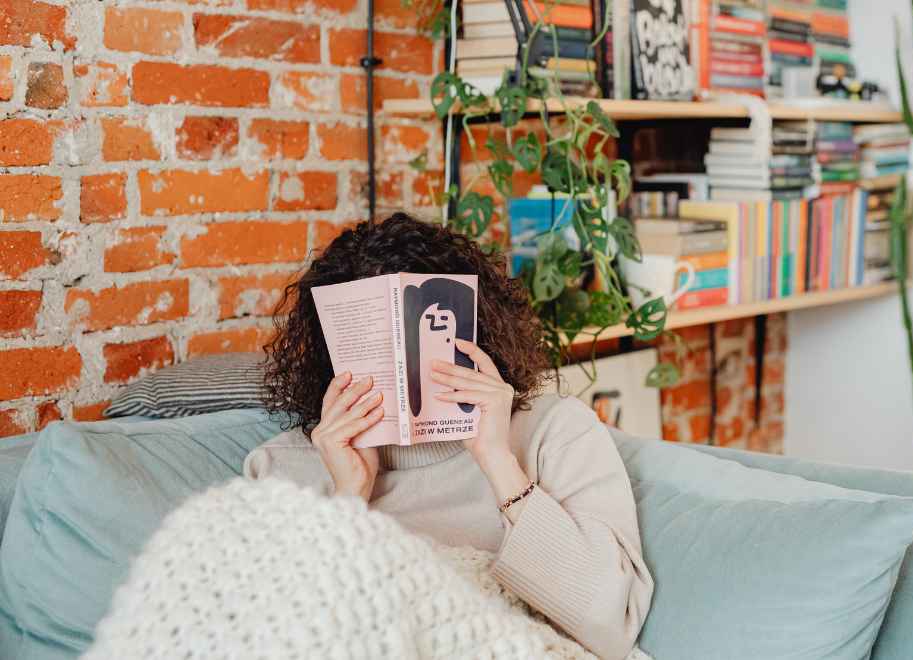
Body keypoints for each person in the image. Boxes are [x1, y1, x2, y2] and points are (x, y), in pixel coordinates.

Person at [248, 213, 653, 660]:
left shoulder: (555, 430)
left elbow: (613, 626)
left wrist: (499, 463)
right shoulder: (282, 467)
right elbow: (271, 636)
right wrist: (349, 496)